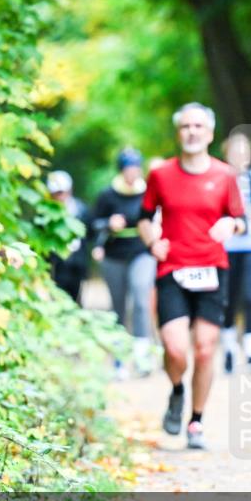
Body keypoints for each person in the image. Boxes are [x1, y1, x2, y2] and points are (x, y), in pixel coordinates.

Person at [137, 102, 247, 450]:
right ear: (178, 132)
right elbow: (142, 217)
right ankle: (177, 390)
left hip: (212, 269)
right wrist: (152, 240)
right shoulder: (161, 174)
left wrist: (231, 223)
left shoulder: (225, 175)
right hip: (172, 268)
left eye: (198, 126)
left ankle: (196, 421)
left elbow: (239, 219)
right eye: (186, 126)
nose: (192, 132)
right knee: (175, 348)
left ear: (210, 133)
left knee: (204, 350)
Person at [91, 147, 156, 378]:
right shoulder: (108, 195)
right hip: (113, 255)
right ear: (121, 170)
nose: (132, 173)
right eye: (128, 169)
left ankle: (142, 356)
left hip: (141, 251)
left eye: (135, 168)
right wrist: (109, 223)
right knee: (118, 306)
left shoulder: (148, 192)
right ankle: (119, 359)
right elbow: (92, 223)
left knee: (140, 300)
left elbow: (158, 217)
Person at [221, 133, 251, 374]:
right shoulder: (220, 177)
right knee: (228, 301)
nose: (240, 156)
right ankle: (228, 351)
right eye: (235, 152)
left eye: (244, 151)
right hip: (227, 246)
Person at [46, 170, 91, 303]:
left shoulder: (81, 210)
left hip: (77, 265)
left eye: (62, 192)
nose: (60, 196)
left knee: (76, 299)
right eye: (56, 193)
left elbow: (89, 233)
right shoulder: (45, 212)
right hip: (56, 265)